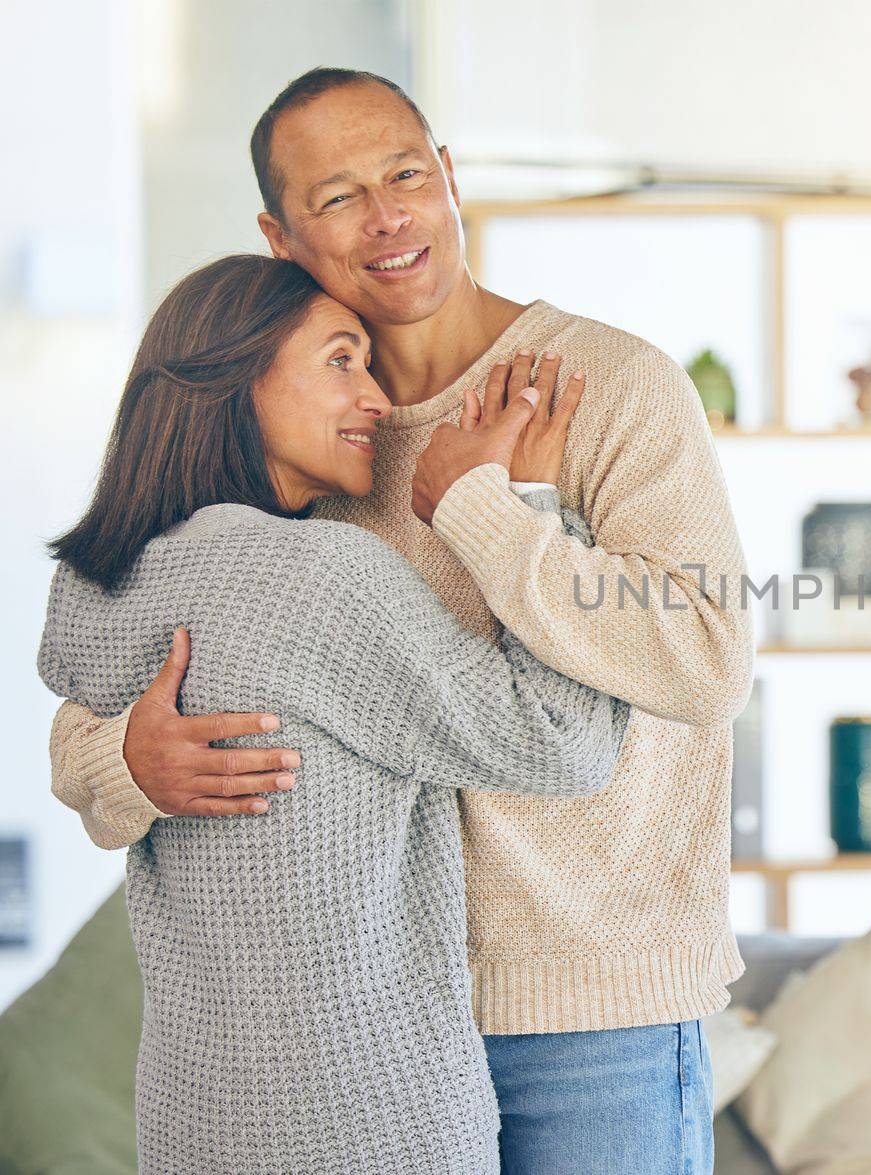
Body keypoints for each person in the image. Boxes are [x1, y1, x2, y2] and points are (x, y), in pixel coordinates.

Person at [47, 66, 754, 1173]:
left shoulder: (611, 387)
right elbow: (133, 646)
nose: (387, 217)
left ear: (450, 180)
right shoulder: (303, 429)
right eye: (337, 198)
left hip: (592, 1017)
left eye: (405, 173)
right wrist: (125, 759)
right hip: (371, 1032)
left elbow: (708, 657)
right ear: (280, 237)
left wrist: (481, 506)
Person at [38, 253, 630, 1173]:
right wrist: (521, 507)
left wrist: (109, 760)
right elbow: (564, 741)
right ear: (236, 376)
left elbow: (75, 738)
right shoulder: (317, 579)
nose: (380, 403)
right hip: (369, 1119)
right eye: (342, 361)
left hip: (191, 1122)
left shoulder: (95, 584)